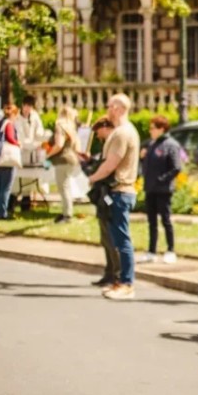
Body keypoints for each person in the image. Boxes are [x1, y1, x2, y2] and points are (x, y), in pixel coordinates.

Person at [87, 94, 140, 300]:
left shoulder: (122, 133)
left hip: (120, 191)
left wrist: (92, 178)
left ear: (118, 108)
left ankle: (127, 283)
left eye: (109, 106)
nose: (107, 109)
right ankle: (121, 281)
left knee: (122, 241)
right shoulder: (122, 131)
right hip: (119, 192)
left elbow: (111, 164)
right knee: (118, 240)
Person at [79, 117, 121, 288]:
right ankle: (109, 272)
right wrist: (88, 163)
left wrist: (91, 169)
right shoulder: (108, 144)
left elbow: (106, 168)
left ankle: (117, 274)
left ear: (105, 127)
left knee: (111, 237)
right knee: (105, 237)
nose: (97, 136)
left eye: (98, 131)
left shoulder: (115, 142)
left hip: (111, 193)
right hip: (103, 194)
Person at [141, 116, 183, 264]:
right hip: (150, 189)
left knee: (166, 220)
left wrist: (162, 179)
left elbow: (176, 167)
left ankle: (170, 249)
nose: (150, 131)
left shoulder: (170, 145)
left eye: (153, 128)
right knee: (151, 221)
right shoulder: (152, 144)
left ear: (161, 129)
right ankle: (151, 250)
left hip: (163, 190)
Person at [45, 105, 80, 223]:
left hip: (62, 159)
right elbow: (77, 147)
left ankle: (67, 215)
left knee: (63, 187)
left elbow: (59, 144)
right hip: (71, 159)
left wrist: (49, 154)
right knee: (66, 187)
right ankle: (66, 212)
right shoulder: (71, 128)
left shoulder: (60, 126)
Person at [0, 104, 20, 220]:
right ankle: (2, 213)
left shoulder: (0, 123)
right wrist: (18, 143)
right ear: (13, 114)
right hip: (7, 158)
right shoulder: (9, 124)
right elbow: (10, 138)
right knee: (6, 187)